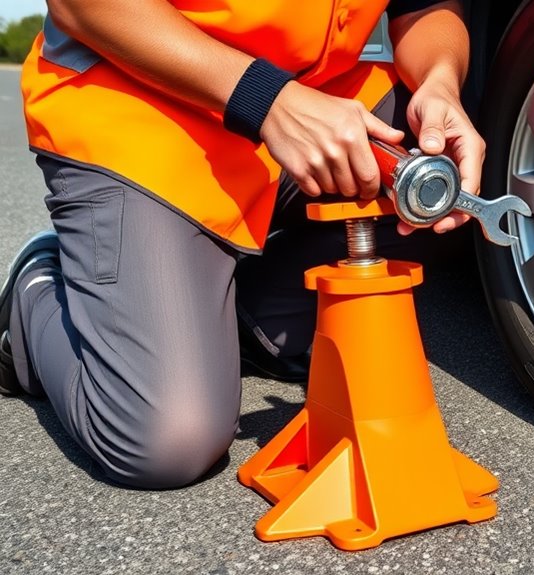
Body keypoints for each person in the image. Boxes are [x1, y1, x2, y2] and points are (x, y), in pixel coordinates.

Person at [1, 0, 485, 489]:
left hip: (323, 100)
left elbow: (425, 7)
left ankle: (238, 316)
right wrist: (268, 100)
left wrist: (439, 80)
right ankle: (38, 288)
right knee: (170, 436)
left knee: (450, 163)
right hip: (143, 104)